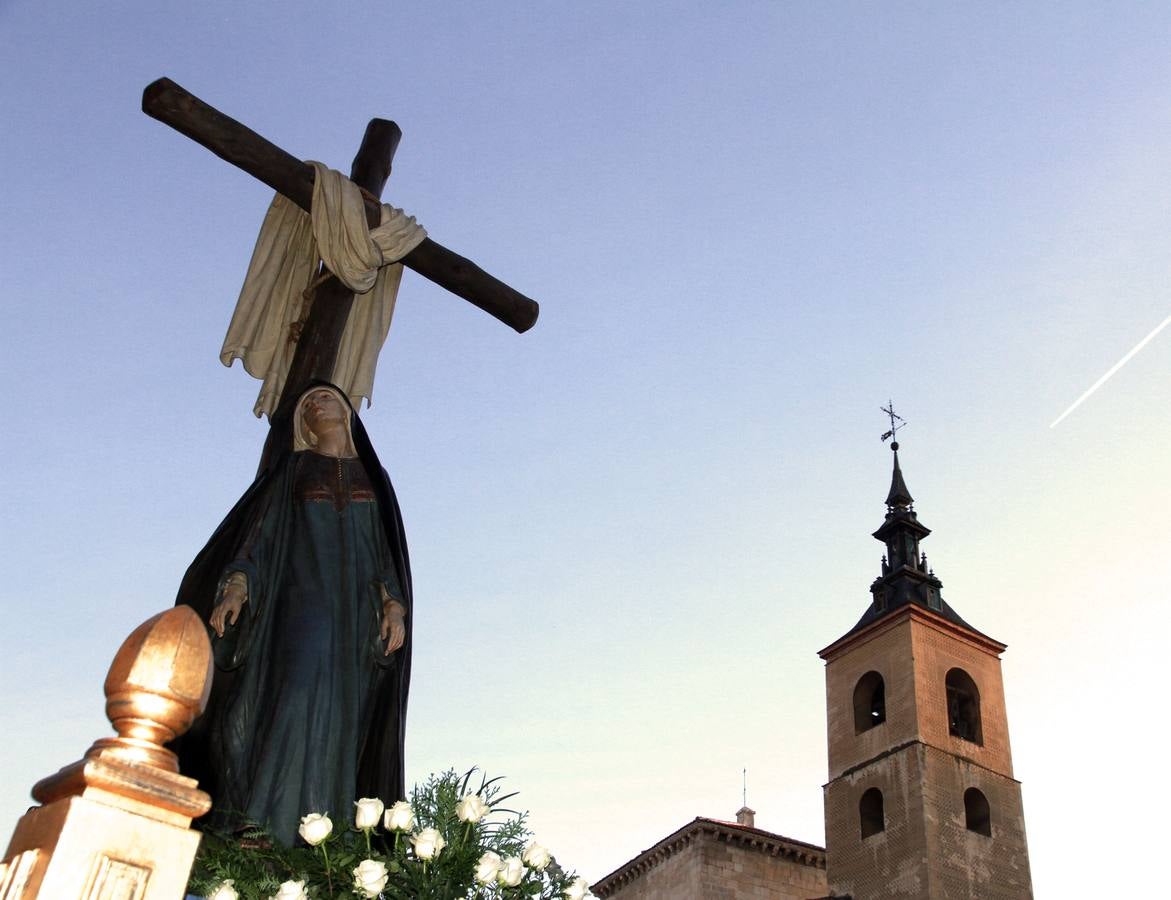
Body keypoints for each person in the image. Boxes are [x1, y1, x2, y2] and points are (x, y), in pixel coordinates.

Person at [174, 383, 412, 845]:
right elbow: (258, 537)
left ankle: (328, 838)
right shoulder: (295, 469)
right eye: (308, 405)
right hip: (300, 606)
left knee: (346, 719)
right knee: (294, 692)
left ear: (346, 412)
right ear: (302, 425)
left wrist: (394, 606)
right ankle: (263, 820)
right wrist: (237, 587)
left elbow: (386, 556)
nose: (317, 404)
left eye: (325, 398)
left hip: (357, 623)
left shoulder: (374, 477)